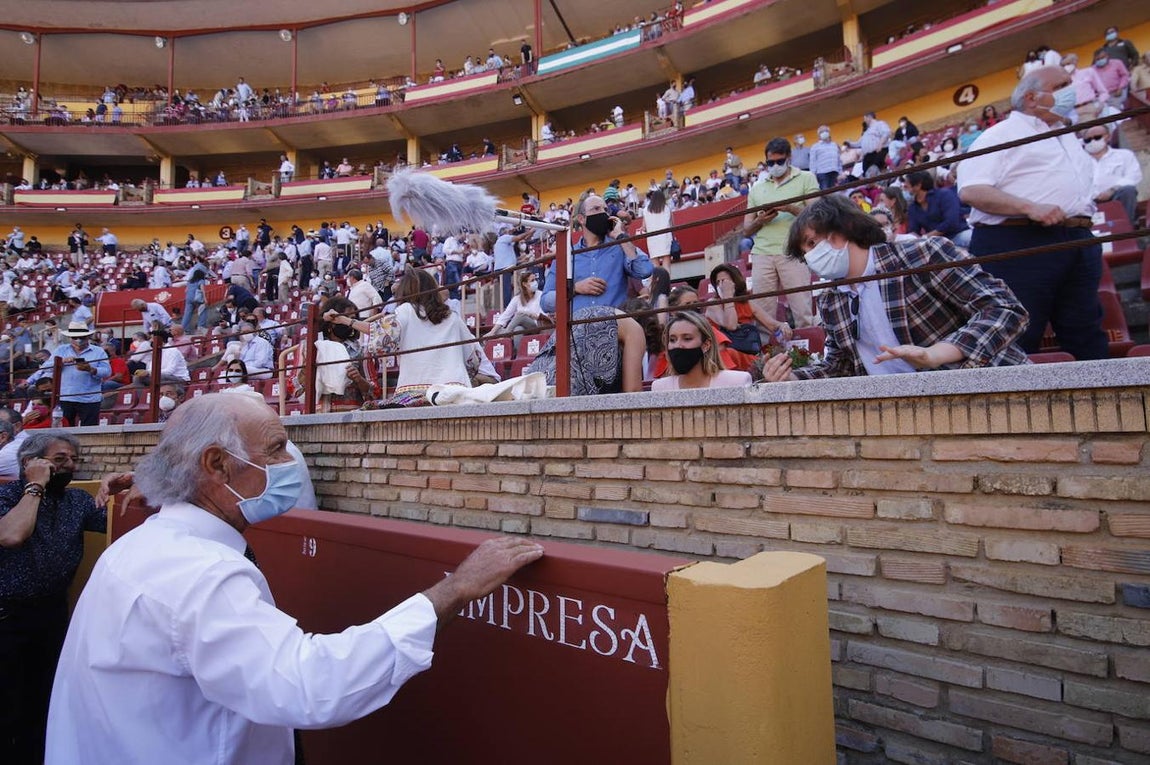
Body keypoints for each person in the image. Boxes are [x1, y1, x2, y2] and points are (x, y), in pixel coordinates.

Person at [46, 392, 544, 765]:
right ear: (217, 464)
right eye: (278, 450)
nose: (290, 465)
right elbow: (311, 686)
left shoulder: (143, 546)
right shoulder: (200, 572)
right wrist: (454, 590)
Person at [760, 196, 1029, 383]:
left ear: (845, 227)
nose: (810, 257)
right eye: (804, 252)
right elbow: (840, 366)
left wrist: (937, 354)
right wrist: (792, 377)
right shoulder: (831, 299)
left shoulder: (921, 256)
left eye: (812, 243)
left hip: (985, 390)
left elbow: (1005, 309)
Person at [957, 66, 1109, 360]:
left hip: (1077, 237)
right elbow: (972, 190)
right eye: (1061, 85)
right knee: (1018, 333)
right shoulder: (1000, 135)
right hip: (1021, 239)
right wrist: (1029, 207)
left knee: (1085, 329)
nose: (1071, 90)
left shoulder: (1065, 134)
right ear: (1030, 97)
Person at [1, 431, 112, 765]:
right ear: (29, 462)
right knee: (9, 704)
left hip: (51, 613)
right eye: (60, 459)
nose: (70, 466)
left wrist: (122, 488)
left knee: (46, 697)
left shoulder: (76, 501)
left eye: (74, 460)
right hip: (7, 617)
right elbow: (12, 535)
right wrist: (35, 485)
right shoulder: (7, 496)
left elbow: (118, 525)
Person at [742, 137, 819, 329]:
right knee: (762, 315)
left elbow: (818, 216)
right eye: (770, 163)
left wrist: (790, 208)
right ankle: (766, 348)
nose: (775, 166)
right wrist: (760, 220)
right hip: (762, 253)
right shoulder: (757, 188)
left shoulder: (806, 178)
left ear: (789, 158)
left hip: (794, 251)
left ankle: (809, 345)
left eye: (779, 161)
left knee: (802, 311)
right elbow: (746, 230)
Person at [540, 194, 653, 313]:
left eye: (606, 210)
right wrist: (574, 288)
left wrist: (620, 235)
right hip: (579, 323)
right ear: (581, 219)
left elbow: (645, 270)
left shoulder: (620, 247)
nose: (603, 213)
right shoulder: (566, 256)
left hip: (614, 322)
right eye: (596, 209)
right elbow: (545, 302)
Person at [526, 305, 645, 396]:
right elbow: (633, 392)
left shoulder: (597, 313)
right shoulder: (635, 328)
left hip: (533, 381)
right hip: (567, 385)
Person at [26, 322, 111, 426]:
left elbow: (107, 372)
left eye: (82, 337)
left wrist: (91, 369)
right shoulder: (61, 350)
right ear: (70, 338)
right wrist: (61, 362)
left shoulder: (98, 351)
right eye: (75, 338)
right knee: (64, 428)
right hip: (66, 397)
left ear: (88, 337)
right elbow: (45, 368)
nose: (78, 340)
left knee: (89, 429)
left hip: (90, 398)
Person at [652, 311, 752, 391]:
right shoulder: (660, 388)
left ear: (706, 345)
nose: (678, 345)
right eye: (672, 340)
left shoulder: (737, 382)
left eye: (687, 338)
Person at [706, 263, 792, 355]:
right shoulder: (713, 304)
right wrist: (728, 298)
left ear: (735, 283)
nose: (721, 285)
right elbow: (731, 326)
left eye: (724, 281)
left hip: (747, 351)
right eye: (718, 282)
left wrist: (782, 325)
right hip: (724, 352)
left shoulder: (746, 303)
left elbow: (772, 324)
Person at [1082, 124, 1142, 223]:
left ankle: (1126, 227)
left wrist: (1112, 190)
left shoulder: (1124, 155)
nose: (1092, 141)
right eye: (1088, 140)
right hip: (1089, 202)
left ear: (1108, 137)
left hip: (1115, 196)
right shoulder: (1080, 162)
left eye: (1097, 137)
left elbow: (1133, 176)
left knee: (1128, 190)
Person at [904, 171, 972, 248]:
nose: (904, 186)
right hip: (936, 243)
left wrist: (927, 236)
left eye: (907, 184)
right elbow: (913, 231)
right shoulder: (913, 207)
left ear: (918, 185)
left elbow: (951, 221)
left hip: (957, 235)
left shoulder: (944, 195)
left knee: (969, 238)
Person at [485, 270, 551, 339]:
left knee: (520, 314)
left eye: (535, 280)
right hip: (523, 328)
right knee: (518, 329)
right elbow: (505, 315)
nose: (535, 282)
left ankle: (504, 336)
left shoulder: (541, 295)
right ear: (524, 284)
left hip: (537, 326)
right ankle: (509, 343)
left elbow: (544, 315)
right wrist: (492, 331)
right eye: (532, 280)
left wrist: (530, 314)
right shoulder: (517, 298)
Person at [642, 188, 674, 269]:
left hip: (652, 239)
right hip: (665, 237)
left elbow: (644, 228)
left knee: (655, 264)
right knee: (666, 263)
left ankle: (658, 277)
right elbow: (672, 225)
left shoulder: (646, 210)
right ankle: (666, 277)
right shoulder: (667, 208)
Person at [808, 125, 842, 190]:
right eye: (822, 132)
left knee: (835, 191)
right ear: (818, 135)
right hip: (822, 173)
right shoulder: (815, 147)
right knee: (825, 191)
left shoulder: (834, 145)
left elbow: (838, 160)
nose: (824, 133)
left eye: (826, 131)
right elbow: (812, 162)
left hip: (834, 171)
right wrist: (813, 175)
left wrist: (840, 172)